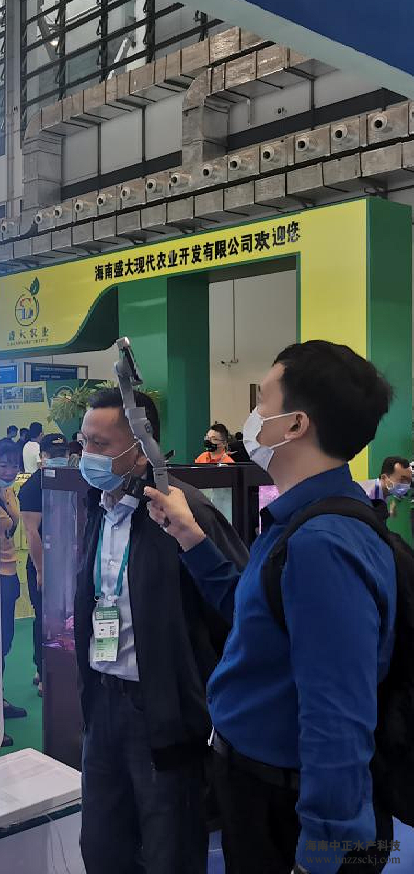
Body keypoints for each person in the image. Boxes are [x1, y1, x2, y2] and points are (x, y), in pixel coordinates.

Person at [144, 341, 397, 874]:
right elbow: (256, 619)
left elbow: (338, 713)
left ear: (295, 424)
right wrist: (191, 538)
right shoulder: (299, 522)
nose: (253, 416)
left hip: (288, 808)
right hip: (261, 787)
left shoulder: (322, 543)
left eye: (263, 400)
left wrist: (323, 854)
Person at [75, 388, 248, 874]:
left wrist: (199, 694)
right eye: (83, 442)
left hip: (162, 712)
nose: (87, 455)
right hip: (102, 704)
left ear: (141, 448)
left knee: (169, 849)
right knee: (102, 846)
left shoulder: (184, 511)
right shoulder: (98, 505)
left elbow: (237, 610)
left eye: (101, 445)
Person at [18, 432, 68, 695]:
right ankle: (43, 671)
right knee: (44, 619)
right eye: (53, 454)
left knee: (68, 618)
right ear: (42, 457)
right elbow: (31, 532)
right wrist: (41, 570)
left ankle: (66, 667)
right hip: (44, 563)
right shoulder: (32, 487)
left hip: (70, 559)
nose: (59, 458)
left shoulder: (73, 480)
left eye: (63, 454)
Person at [0, 437, 27, 746]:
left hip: (9, 573)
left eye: (13, 465)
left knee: (4, 642)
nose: (9, 470)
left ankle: (0, 699)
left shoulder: (8, 492)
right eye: (3, 464)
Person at [371, 454, 412, 523]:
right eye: (402, 480)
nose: (406, 485)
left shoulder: (384, 495)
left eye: (409, 481)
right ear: (384, 478)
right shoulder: (368, 496)